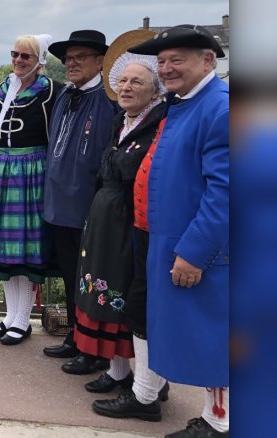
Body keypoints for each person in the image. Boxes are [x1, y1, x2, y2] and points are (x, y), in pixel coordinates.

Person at [65, 30, 172, 422]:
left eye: (137, 82)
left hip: (130, 224)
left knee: (126, 296)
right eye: (123, 81)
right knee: (104, 291)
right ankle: (118, 370)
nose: (126, 87)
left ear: (155, 90)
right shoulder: (124, 122)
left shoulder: (158, 125)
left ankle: (144, 384)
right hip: (105, 222)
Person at [128, 25, 229, 437]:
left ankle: (220, 423)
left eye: (177, 60)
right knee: (199, 335)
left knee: (216, 336)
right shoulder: (182, 103)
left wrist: (193, 251)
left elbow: (227, 192)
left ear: (208, 61)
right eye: (162, 61)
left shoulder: (220, 108)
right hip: (170, 241)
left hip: (205, 251)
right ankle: (214, 417)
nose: (166, 68)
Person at [0, 34, 58, 345]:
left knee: (21, 250)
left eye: (26, 57)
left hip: (29, 175)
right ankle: (9, 316)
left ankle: (23, 320)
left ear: (39, 61)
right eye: (15, 54)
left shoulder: (52, 93)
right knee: (2, 248)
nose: (18, 60)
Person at [42, 30, 117, 375]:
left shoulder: (109, 100)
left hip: (89, 206)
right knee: (71, 277)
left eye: (80, 57)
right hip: (59, 204)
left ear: (101, 61)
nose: (72, 63)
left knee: (93, 280)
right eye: (68, 58)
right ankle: (75, 336)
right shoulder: (64, 96)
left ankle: (96, 350)